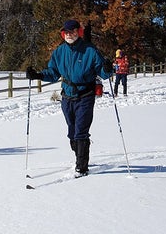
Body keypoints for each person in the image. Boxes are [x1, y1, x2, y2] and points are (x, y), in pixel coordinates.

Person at [26, 19, 113, 177]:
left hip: (85, 95)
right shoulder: (59, 52)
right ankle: (79, 153)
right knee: (72, 132)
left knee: (81, 130)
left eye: (72, 32)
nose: (69, 35)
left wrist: (108, 69)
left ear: (78, 32)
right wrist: (37, 75)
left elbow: (103, 72)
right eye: (66, 32)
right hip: (67, 96)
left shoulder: (90, 50)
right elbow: (52, 73)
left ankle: (82, 167)